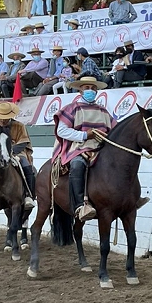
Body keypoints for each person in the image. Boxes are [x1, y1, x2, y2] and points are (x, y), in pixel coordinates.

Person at [52, 76, 114, 221]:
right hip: (79, 147)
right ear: (80, 90)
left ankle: (129, 199)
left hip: (101, 148)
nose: (90, 91)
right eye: (87, 88)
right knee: (77, 164)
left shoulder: (103, 111)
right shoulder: (72, 108)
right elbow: (62, 131)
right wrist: (85, 135)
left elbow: (114, 129)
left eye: (93, 88)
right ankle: (80, 205)